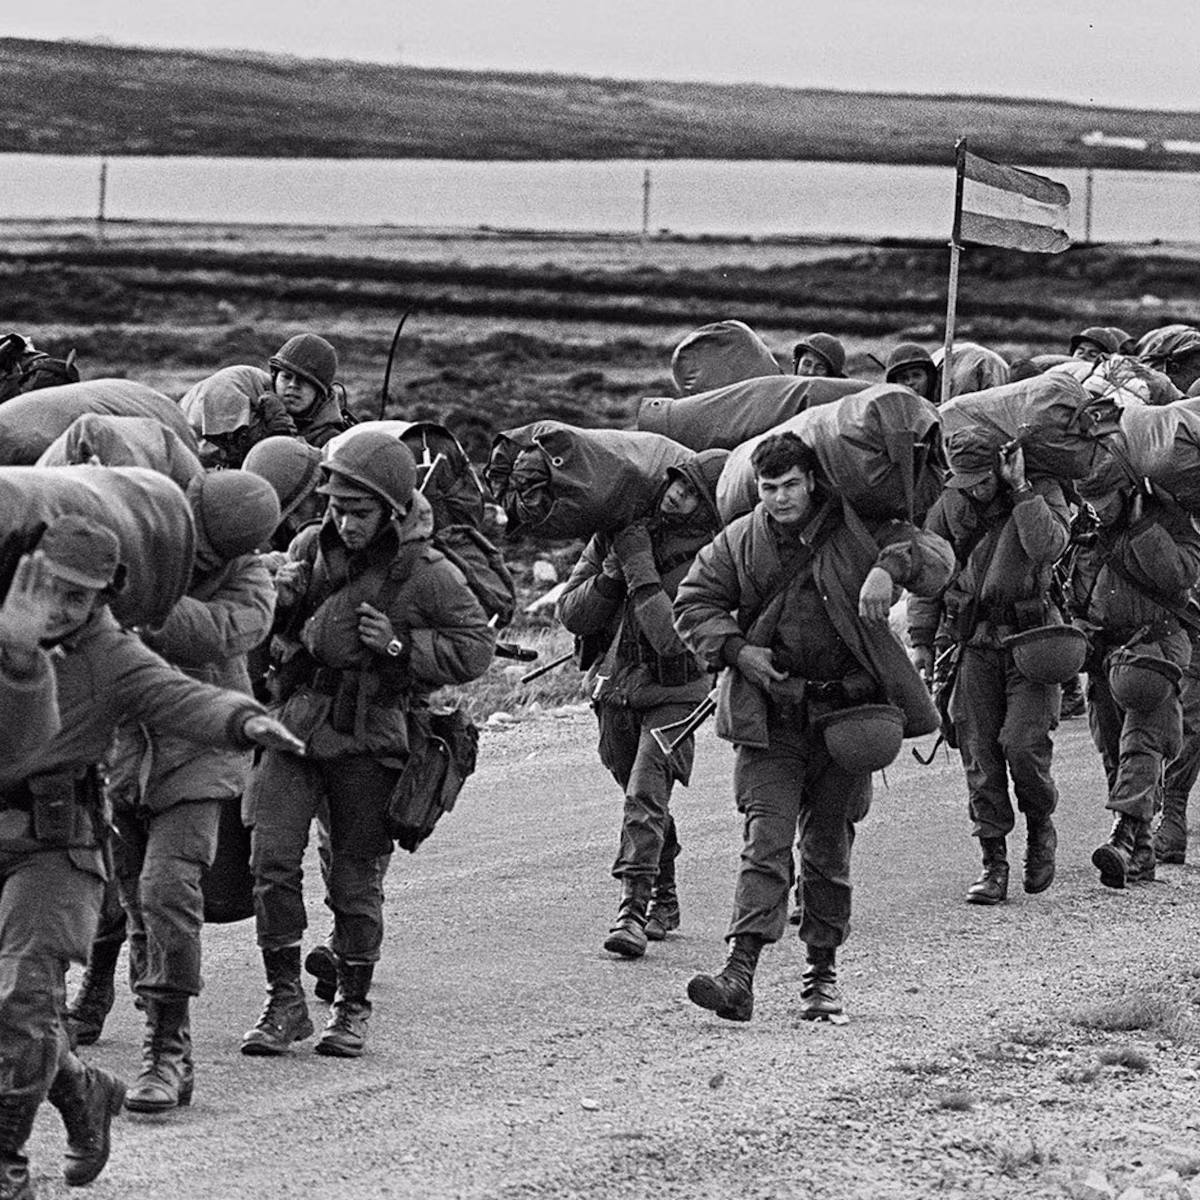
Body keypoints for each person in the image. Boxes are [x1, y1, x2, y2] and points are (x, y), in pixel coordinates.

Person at [0, 517, 302, 1197]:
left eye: (81, 597)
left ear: (107, 598)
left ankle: (7, 1160)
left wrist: (243, 720)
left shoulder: (110, 654)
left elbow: (181, 696)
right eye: (53, 590)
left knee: (22, 1000)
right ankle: (81, 1091)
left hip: (55, 843)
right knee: (18, 1016)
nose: (63, 608)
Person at [673, 432, 953, 1023]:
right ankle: (739, 972)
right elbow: (693, 601)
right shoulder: (740, 540)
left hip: (846, 720)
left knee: (827, 849)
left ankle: (822, 978)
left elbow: (934, 557)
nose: (778, 498)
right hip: (771, 717)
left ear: (814, 480)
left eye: (790, 485)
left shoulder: (859, 527)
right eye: (768, 488)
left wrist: (886, 566)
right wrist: (736, 649)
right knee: (765, 841)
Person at [243, 431, 495, 1059]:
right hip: (294, 724)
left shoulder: (425, 571)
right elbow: (260, 630)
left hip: (370, 736)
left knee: (354, 879)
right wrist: (281, 604)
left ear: (391, 510)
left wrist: (398, 646)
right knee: (270, 860)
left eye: (359, 511)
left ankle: (352, 1005)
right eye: (335, 507)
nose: (344, 522)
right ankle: (283, 1001)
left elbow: (475, 649)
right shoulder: (307, 547)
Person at [100, 472, 281, 1114]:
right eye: (191, 543)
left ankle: (166, 1049)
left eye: (210, 556)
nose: (194, 559)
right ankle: (147, 1024)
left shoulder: (252, 582)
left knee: (167, 892)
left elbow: (219, 632)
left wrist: (140, 599)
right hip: (121, 754)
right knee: (133, 902)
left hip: (201, 757)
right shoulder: (141, 538)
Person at [557, 449, 729, 958]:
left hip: (678, 691)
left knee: (645, 793)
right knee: (638, 794)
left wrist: (639, 569)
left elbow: (671, 639)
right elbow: (573, 614)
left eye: (692, 490)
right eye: (676, 483)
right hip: (615, 688)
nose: (677, 494)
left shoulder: (715, 555)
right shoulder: (624, 532)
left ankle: (632, 908)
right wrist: (613, 570)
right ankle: (666, 892)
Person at [908, 434, 1071, 905]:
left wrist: (1021, 489)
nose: (974, 490)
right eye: (966, 482)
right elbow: (926, 574)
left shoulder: (1041, 492)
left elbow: (1048, 547)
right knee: (979, 751)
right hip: (970, 643)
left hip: (1032, 641)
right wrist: (922, 642)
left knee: (1023, 744)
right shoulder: (949, 503)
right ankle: (993, 860)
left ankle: (1040, 828)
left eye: (982, 480)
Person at [1068, 481, 1200, 888]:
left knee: (1142, 742)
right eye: (1092, 499)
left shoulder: (1168, 522)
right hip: (1104, 654)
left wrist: (1144, 529)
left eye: (1106, 498)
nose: (1100, 507)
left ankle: (1122, 835)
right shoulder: (1084, 530)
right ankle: (1141, 853)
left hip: (1156, 646)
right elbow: (1074, 592)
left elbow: (1181, 575)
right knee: (1112, 746)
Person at [267, 333, 352, 449]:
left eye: (303, 381)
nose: (293, 385)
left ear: (319, 393)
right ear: (274, 378)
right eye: (286, 377)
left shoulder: (331, 442)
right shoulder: (255, 417)